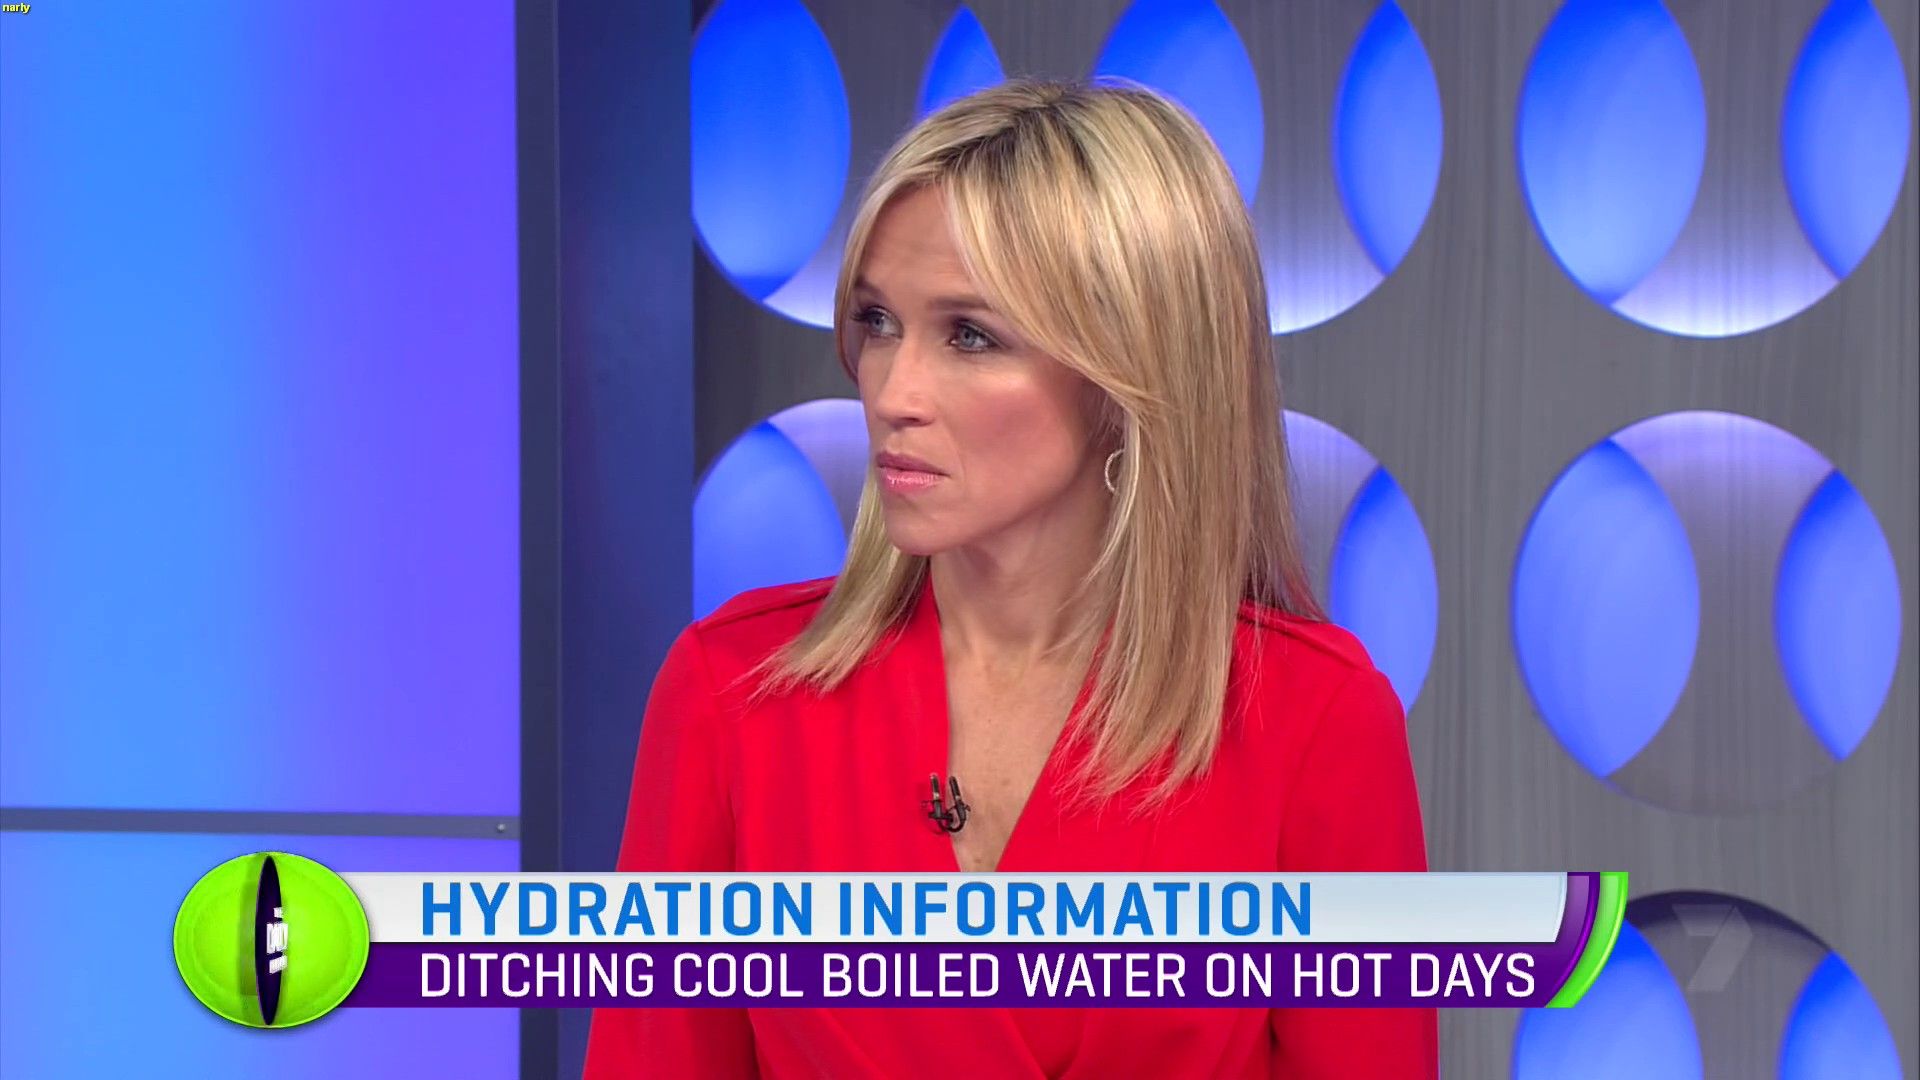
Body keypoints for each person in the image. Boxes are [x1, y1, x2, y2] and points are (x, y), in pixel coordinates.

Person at [585, 77, 1436, 1078]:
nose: (893, 393)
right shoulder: (734, 691)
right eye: (879, 322)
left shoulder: (1314, 719)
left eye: (971, 336)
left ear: (1131, 374)